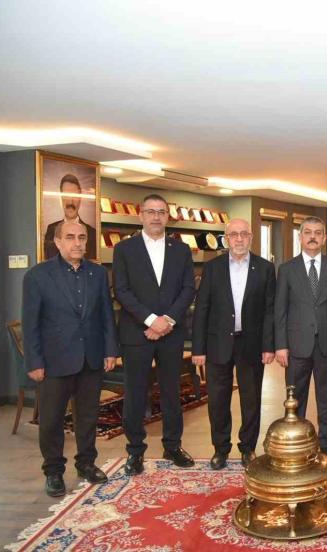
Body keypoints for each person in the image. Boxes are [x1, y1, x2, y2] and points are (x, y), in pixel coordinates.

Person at [22, 220, 118, 497]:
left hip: (91, 358)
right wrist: (34, 362)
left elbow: (106, 315)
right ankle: (53, 471)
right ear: (57, 241)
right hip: (54, 361)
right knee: (51, 419)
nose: (77, 243)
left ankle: (86, 463)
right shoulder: (37, 276)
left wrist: (110, 350)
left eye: (82, 237)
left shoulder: (98, 274)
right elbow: (30, 323)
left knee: (88, 416)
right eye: (70, 237)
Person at [112, 193, 196, 475]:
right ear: (141, 215)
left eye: (161, 212)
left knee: (172, 392)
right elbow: (121, 290)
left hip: (171, 332)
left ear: (167, 216)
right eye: (151, 211)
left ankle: (173, 446)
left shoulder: (181, 250)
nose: (156, 217)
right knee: (136, 393)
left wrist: (167, 320)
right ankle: (135, 451)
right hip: (137, 332)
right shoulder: (124, 249)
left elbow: (188, 289)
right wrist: (150, 320)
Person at [191, 218, 276, 470]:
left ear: (251, 237)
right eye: (234, 234)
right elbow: (202, 309)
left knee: (251, 400)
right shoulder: (213, 268)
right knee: (218, 400)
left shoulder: (265, 268)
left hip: (251, 344)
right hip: (218, 343)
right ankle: (220, 448)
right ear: (226, 239)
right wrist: (198, 349)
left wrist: (268, 346)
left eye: (244, 234)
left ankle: (248, 448)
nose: (239, 239)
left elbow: (270, 311)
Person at [275, 216, 327, 457]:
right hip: (296, 345)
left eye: (318, 232)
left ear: (324, 238)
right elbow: (280, 310)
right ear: (300, 237)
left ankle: (326, 443)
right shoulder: (287, 269)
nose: (313, 237)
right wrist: (280, 345)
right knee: (295, 397)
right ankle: (297, 441)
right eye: (308, 232)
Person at [44, 174, 97, 260]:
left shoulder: (92, 233)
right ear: (61, 198)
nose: (70, 202)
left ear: (80, 199)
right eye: (66, 196)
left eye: (75, 197)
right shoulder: (51, 230)